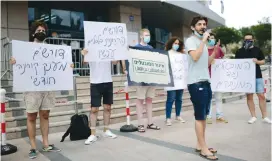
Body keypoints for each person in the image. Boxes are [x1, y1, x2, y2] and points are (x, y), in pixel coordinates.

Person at [10, 21, 68, 159]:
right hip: (31, 88)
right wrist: (14, 62)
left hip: (47, 87)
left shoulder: (51, 50)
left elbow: (59, 65)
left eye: (43, 30)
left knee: (45, 115)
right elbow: (19, 65)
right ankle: (33, 146)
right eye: (38, 30)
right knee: (31, 116)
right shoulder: (25, 49)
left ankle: (46, 143)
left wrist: (68, 64)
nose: (41, 32)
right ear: (33, 33)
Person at [185, 16, 219, 160]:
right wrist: (204, 41)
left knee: (203, 116)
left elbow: (205, 63)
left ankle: (200, 144)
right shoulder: (190, 41)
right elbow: (195, 57)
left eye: (204, 24)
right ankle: (204, 149)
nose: (202, 26)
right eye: (199, 24)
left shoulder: (202, 43)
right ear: (193, 27)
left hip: (206, 81)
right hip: (196, 83)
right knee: (200, 117)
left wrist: (215, 51)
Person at [123, 28, 160, 132]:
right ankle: (140, 124)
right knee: (140, 101)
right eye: (146, 35)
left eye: (149, 35)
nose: (148, 37)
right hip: (140, 79)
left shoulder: (151, 48)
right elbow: (130, 62)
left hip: (151, 79)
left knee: (149, 100)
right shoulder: (135, 48)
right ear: (141, 36)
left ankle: (150, 123)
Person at [81, 49, 119, 145]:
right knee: (94, 109)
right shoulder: (90, 47)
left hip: (107, 81)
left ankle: (106, 130)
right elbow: (84, 63)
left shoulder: (107, 47)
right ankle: (93, 134)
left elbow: (115, 62)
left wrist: (118, 51)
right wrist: (84, 54)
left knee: (108, 107)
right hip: (95, 82)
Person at [235, 33, 271, 124]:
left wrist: (257, 61)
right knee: (249, 97)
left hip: (257, 76)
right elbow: (236, 64)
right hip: (246, 78)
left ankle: (265, 116)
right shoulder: (239, 51)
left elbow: (262, 61)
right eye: (246, 40)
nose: (248, 41)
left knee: (261, 96)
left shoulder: (257, 50)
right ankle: (253, 116)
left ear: (253, 40)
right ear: (244, 41)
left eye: (249, 40)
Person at [206, 33, 228, 124]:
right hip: (208, 77)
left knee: (219, 97)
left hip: (218, 77)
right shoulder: (204, 50)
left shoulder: (218, 49)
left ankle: (219, 116)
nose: (212, 40)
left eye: (213, 38)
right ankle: (208, 116)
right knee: (208, 98)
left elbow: (223, 57)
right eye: (210, 38)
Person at [164, 36, 186, 126]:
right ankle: (168, 118)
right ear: (171, 44)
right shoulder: (166, 54)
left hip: (180, 80)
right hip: (171, 80)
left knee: (179, 99)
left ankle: (178, 115)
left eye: (178, 44)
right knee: (170, 99)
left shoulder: (181, 55)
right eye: (175, 43)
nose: (176, 45)